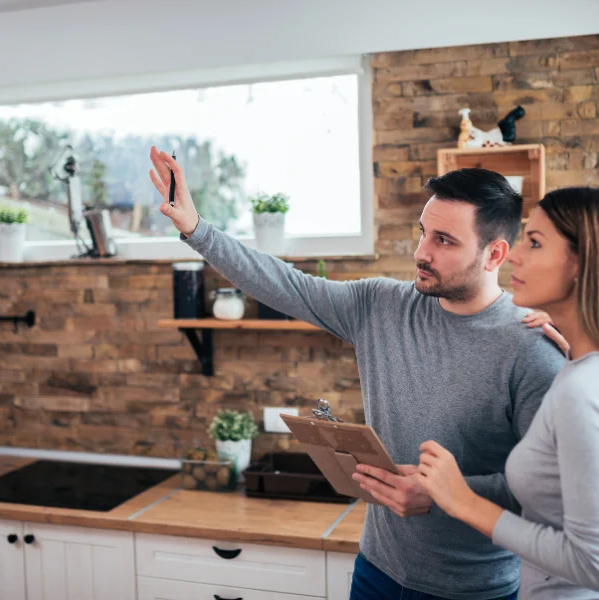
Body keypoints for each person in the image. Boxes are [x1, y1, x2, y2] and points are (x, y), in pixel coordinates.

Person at [149, 146, 565, 600]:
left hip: (471, 590)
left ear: (494, 254)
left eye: (444, 241)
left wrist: (446, 493)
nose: (420, 252)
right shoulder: (380, 305)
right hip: (376, 572)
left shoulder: (532, 349)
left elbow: (549, 489)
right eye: (423, 233)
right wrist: (196, 228)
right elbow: (286, 285)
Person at [415, 187, 599, 599]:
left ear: (581, 264)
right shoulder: (576, 368)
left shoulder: (581, 389)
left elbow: (593, 563)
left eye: (534, 243)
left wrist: (463, 501)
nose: (513, 255)